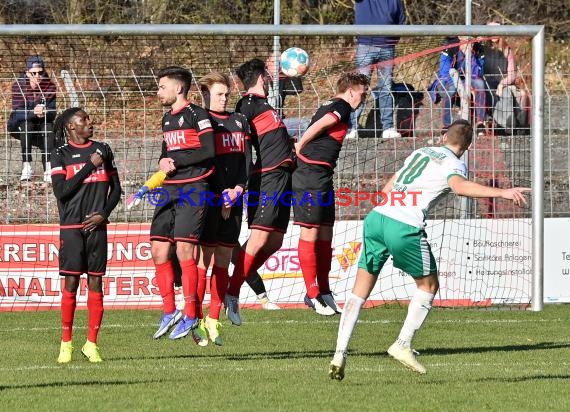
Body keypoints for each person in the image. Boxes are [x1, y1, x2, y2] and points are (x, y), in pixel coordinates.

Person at [328, 120, 529, 380]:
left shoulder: (421, 152)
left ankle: (339, 352)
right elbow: (459, 187)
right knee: (429, 285)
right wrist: (503, 193)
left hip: (376, 219)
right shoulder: (455, 163)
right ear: (467, 145)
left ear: (445, 136)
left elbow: (390, 185)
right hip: (403, 226)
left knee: (359, 292)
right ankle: (402, 344)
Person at [224, 58, 295, 326]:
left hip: (282, 176)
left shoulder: (265, 105)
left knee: (274, 242)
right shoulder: (246, 105)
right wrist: (241, 182)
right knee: (258, 239)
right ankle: (231, 292)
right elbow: (242, 147)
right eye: (268, 74)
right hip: (265, 178)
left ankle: (235, 282)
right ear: (263, 78)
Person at [293, 72, 369, 316]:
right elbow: (321, 123)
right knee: (311, 232)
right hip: (309, 174)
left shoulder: (333, 103)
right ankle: (312, 293)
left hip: (322, 175)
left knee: (326, 231)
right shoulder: (342, 106)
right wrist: (300, 145)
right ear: (350, 91)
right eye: (362, 93)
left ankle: (324, 290)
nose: (364, 98)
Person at [51, 107, 122, 363]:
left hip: (97, 227)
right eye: (84, 120)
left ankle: (92, 344)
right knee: (70, 284)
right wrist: (89, 166)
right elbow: (62, 191)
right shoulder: (60, 154)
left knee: (96, 283)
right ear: (71, 126)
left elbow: (116, 190)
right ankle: (66, 344)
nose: (90, 122)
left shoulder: (103, 149)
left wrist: (103, 214)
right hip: (71, 227)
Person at [150, 66, 216, 341]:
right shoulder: (167, 119)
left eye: (162, 86)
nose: (158, 92)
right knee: (158, 249)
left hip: (193, 187)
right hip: (169, 189)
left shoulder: (198, 115)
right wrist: (163, 162)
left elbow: (209, 151)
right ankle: (169, 311)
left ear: (178, 88)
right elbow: (168, 154)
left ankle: (191, 313)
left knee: (185, 252)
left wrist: (177, 161)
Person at [348, 0, 405, 140]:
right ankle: (351, 127)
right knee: (359, 87)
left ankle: (388, 127)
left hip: (387, 46)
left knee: (386, 87)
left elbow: (401, 21)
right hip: (366, 45)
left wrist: (392, 40)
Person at [8, 55, 57, 182]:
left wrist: (45, 112)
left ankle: (48, 167)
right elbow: (17, 112)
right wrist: (33, 112)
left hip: (42, 122)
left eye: (40, 72)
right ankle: (27, 166)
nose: (37, 76)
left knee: (49, 126)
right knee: (27, 125)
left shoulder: (50, 87)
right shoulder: (18, 86)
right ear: (27, 73)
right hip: (20, 124)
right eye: (33, 73)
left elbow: (53, 112)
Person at [436, 37, 486, 134]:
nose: (468, 43)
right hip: (449, 79)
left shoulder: (478, 49)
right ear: (459, 38)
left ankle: (480, 123)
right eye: (465, 39)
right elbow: (444, 71)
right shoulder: (450, 47)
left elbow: (478, 72)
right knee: (451, 90)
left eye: (471, 40)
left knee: (480, 84)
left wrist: (470, 56)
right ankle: (447, 125)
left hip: (469, 78)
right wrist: (460, 85)